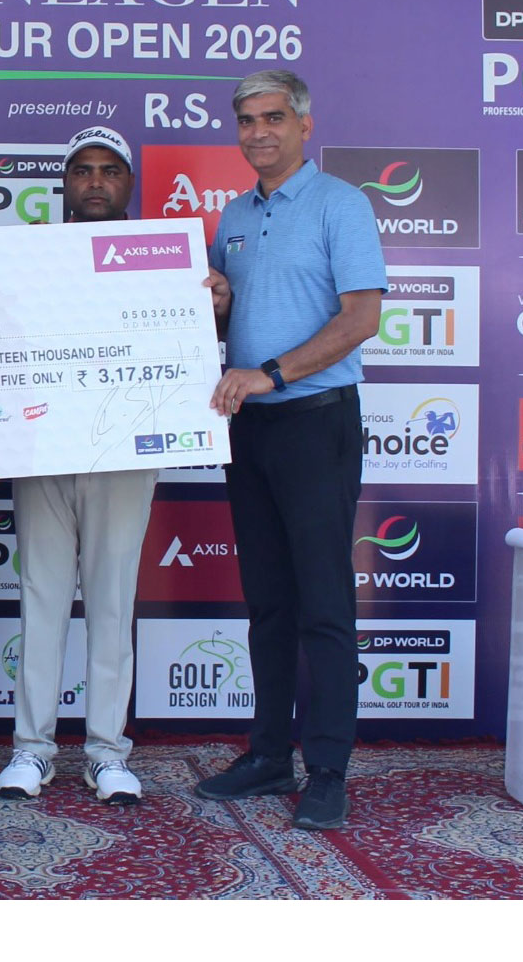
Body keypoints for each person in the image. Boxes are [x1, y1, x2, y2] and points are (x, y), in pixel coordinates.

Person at [192, 69, 385, 831]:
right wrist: (217, 305)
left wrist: (269, 374)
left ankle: (328, 769)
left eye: (273, 117)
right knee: (269, 602)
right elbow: (225, 320)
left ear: (304, 124)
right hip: (252, 428)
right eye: (246, 120)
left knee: (325, 603)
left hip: (315, 421)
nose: (259, 132)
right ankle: (269, 754)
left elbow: (361, 317)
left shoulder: (343, 204)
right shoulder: (234, 217)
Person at [0, 126, 160, 806]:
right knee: (42, 599)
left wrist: (211, 300)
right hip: (41, 449)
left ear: (128, 184)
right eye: (82, 170)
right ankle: (32, 751)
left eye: (109, 171)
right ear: (64, 183)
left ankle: (106, 753)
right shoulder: (26, 254)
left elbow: (184, 346)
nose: (95, 181)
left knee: (112, 602)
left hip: (122, 451)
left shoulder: (161, 259)